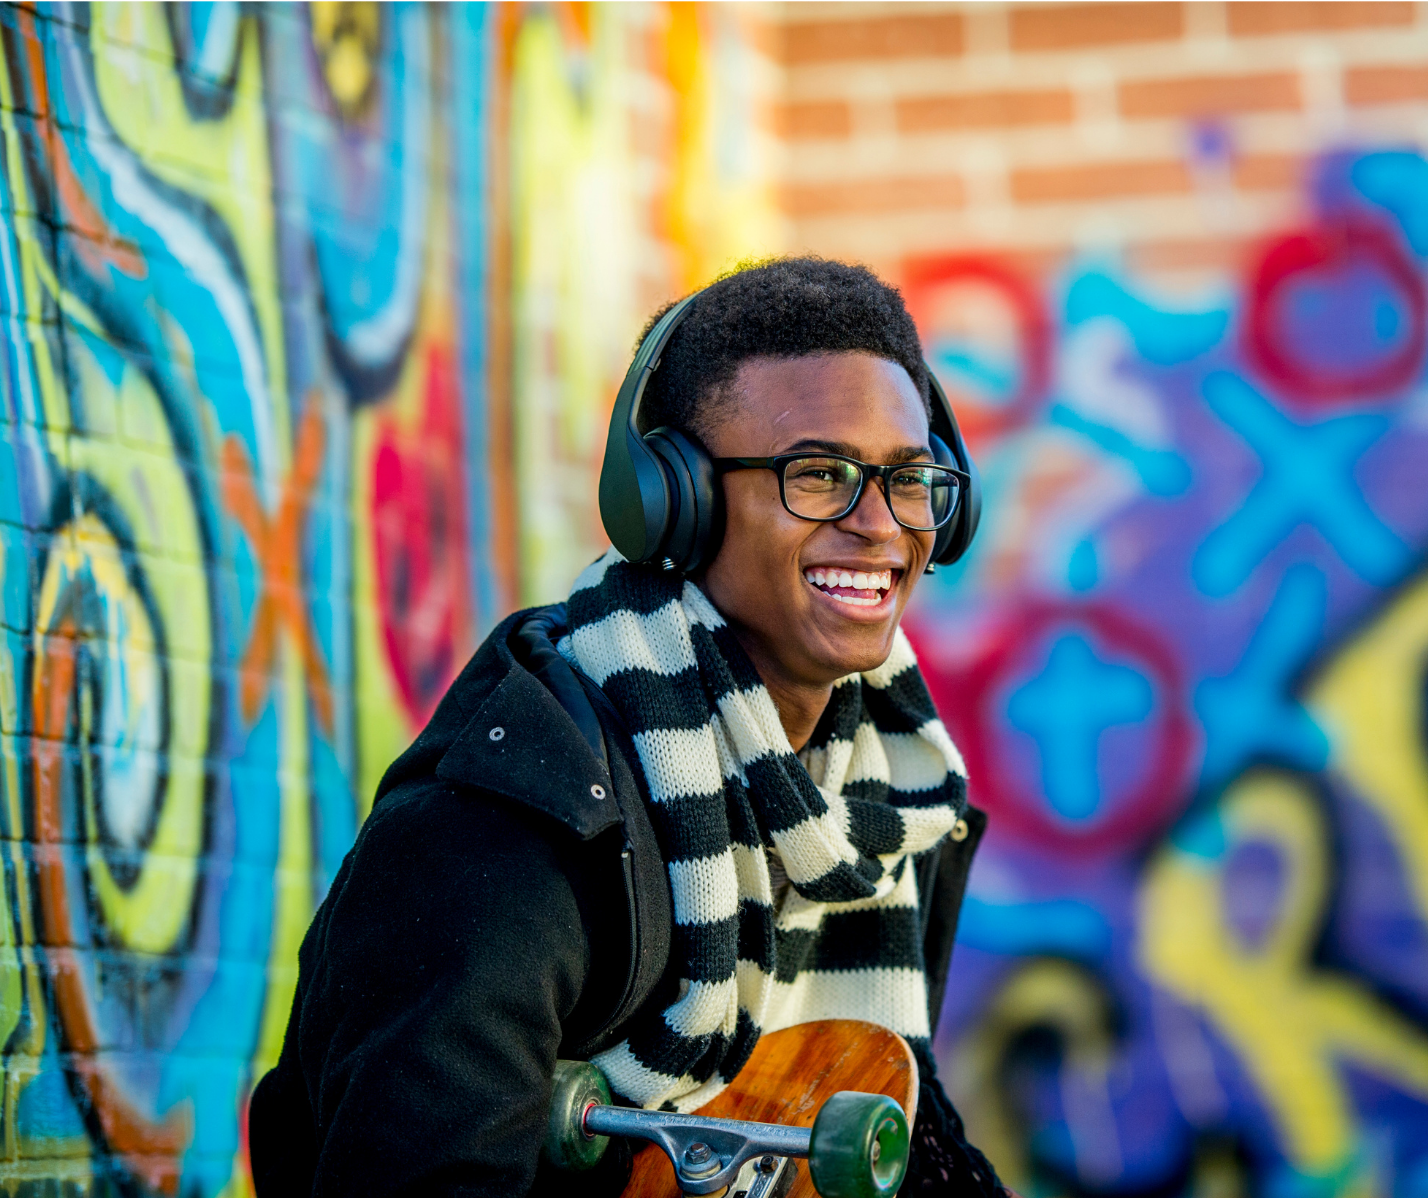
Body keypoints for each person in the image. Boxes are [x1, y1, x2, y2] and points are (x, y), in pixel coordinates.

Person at [248, 257, 1006, 1196]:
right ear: (669, 502)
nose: (881, 525)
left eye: (908, 477)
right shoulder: (506, 831)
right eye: (820, 475)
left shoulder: (885, 801)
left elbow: (909, 1141)